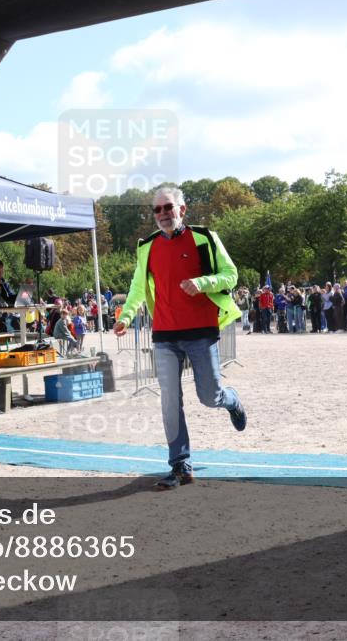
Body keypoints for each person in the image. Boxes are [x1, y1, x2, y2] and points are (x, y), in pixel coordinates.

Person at [113, 186, 246, 490]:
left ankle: (231, 399)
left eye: (168, 207)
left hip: (201, 332)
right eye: (157, 209)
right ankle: (180, 465)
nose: (162, 214)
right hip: (164, 335)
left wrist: (203, 282)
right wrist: (126, 317)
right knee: (169, 402)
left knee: (209, 397)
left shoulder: (204, 238)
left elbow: (231, 275)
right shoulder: (147, 247)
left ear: (182, 209)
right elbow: (136, 287)